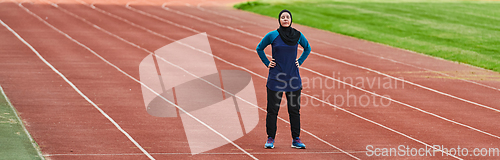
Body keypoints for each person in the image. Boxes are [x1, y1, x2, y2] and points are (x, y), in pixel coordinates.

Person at [256, 9, 311, 149]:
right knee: (272, 110)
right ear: (279, 20)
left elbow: (307, 48)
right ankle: (270, 138)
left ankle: (296, 139)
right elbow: (259, 48)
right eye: (282, 17)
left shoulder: (298, 35)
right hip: (276, 78)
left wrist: (300, 60)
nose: (285, 19)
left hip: (293, 78)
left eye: (287, 17)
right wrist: (267, 63)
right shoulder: (272, 35)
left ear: (291, 20)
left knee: (294, 110)